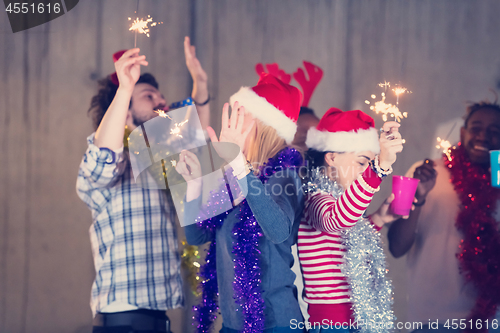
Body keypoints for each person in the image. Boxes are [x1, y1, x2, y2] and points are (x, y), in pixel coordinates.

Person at [76, 37, 210, 333]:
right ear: (123, 110)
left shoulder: (159, 159)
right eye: (149, 96)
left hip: (158, 317)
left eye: (160, 96)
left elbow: (195, 138)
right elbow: (102, 162)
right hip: (122, 320)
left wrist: (200, 85)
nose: (162, 102)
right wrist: (125, 88)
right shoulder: (110, 159)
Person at [177, 74, 306, 332]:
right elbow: (196, 234)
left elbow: (279, 231)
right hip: (233, 326)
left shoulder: (285, 176)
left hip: (276, 325)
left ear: (263, 128)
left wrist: (238, 165)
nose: (229, 129)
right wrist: (194, 185)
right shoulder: (235, 178)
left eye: (239, 119)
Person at [388, 101, 500, 333]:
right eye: (476, 128)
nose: (483, 137)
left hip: (491, 321)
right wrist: (418, 196)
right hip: (431, 319)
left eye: (495, 131)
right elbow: (395, 246)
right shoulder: (420, 171)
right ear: (462, 132)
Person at [297, 108, 404, 332]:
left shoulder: (342, 200)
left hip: (358, 318)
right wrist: (379, 168)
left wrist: (378, 218)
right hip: (332, 323)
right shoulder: (315, 197)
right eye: (362, 162)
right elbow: (337, 220)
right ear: (332, 157)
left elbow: (347, 240)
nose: (366, 171)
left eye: (369, 164)